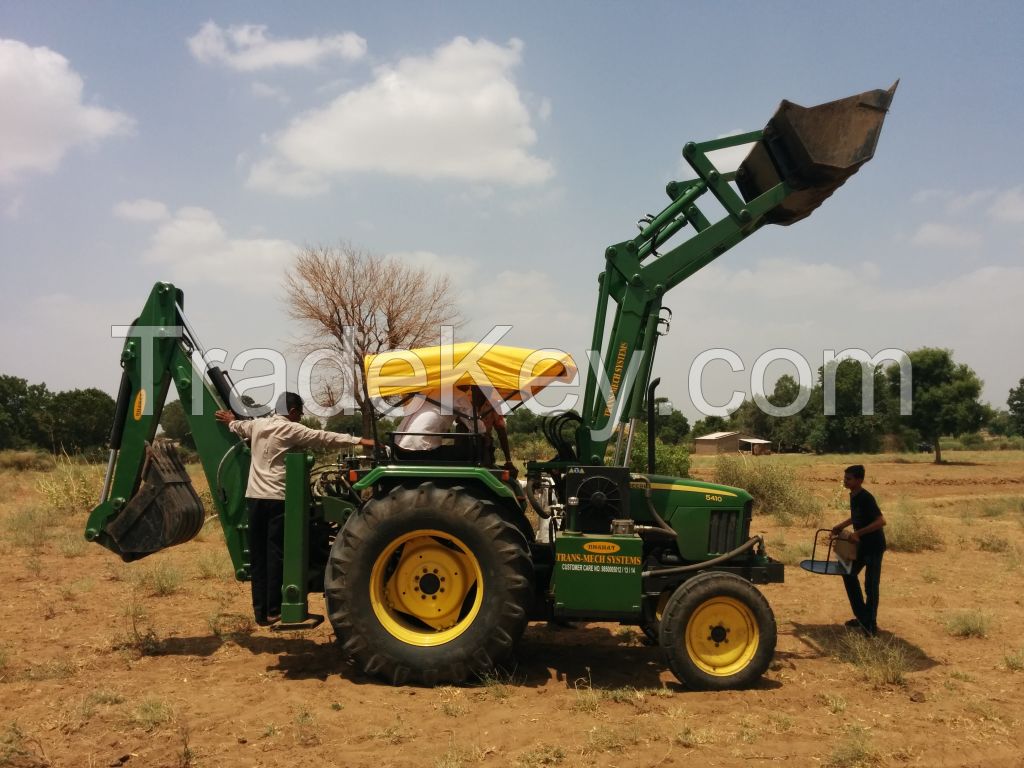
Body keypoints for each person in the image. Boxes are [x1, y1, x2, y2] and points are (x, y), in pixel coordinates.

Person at [215, 392, 374, 626]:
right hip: (277, 499)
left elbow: (238, 426)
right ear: (291, 412)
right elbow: (323, 437)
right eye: (299, 413)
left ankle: (261, 612)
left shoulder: (257, 425)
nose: (300, 417)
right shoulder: (290, 429)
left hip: (254, 498)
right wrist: (360, 441)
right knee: (276, 553)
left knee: (258, 556)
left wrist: (230, 420)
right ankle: (273, 610)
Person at [831, 464, 886, 636]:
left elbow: (881, 521)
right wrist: (840, 525)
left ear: (859, 480)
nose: (845, 481)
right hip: (862, 545)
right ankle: (863, 617)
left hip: (874, 546)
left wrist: (858, 533)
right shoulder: (854, 495)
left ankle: (871, 625)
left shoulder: (866, 497)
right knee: (848, 573)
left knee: (871, 586)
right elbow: (857, 516)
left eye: (849, 479)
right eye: (845, 478)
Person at [393, 387, 480, 462]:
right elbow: (478, 428)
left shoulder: (427, 390)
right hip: (420, 452)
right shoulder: (458, 395)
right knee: (470, 452)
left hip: (397, 448)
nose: (469, 389)